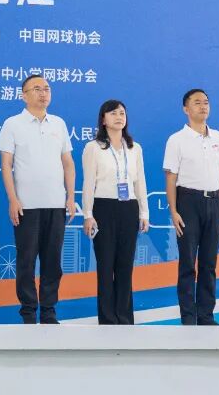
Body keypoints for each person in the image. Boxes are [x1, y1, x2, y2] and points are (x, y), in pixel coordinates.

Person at [0, 75, 75, 325]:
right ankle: (29, 312)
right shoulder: (12, 124)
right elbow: (6, 165)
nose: (43, 93)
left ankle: (49, 311)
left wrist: (71, 196)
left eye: (47, 89)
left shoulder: (58, 124)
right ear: (24, 95)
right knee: (26, 261)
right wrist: (13, 199)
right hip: (26, 206)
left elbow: (67, 163)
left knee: (53, 262)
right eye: (37, 89)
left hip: (56, 203)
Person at [163, 88, 219, 325]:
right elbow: (171, 177)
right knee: (188, 263)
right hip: (188, 202)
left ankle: (206, 316)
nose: (203, 106)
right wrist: (173, 211)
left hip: (214, 202)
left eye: (206, 102)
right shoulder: (177, 140)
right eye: (197, 102)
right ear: (186, 109)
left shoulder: (218, 137)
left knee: (209, 263)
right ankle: (188, 317)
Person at [81, 99, 149, 325]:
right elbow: (88, 183)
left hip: (129, 208)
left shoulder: (134, 148)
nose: (119, 117)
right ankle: (108, 319)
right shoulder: (94, 147)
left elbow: (140, 182)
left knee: (125, 266)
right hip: (103, 208)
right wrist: (88, 214)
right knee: (105, 265)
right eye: (113, 113)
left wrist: (144, 213)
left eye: (122, 113)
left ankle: (124, 317)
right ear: (103, 119)